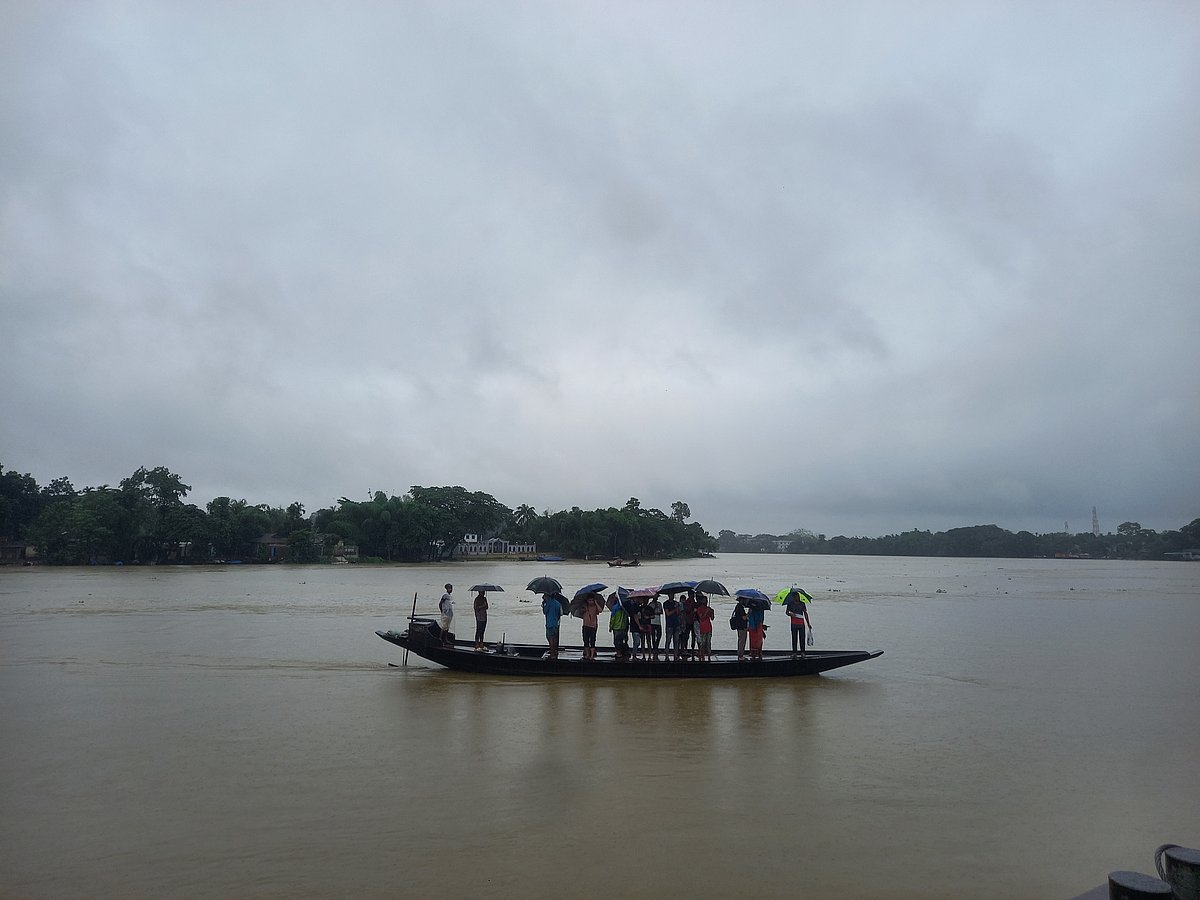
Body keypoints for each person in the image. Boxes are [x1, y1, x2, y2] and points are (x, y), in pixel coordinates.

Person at [785, 589, 813, 656]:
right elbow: (787, 612)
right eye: (796, 596)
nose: (798, 597)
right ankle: (794, 652)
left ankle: (802, 652)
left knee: (802, 638)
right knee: (794, 638)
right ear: (794, 597)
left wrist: (808, 624)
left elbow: (805, 613)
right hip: (794, 624)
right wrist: (790, 614)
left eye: (798, 596)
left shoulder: (802, 603)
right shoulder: (790, 604)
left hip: (801, 624)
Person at [581, 592, 603, 660]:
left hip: (593, 626)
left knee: (592, 640)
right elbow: (580, 612)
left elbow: (600, 610)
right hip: (585, 625)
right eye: (589, 600)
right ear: (587, 600)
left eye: (592, 600)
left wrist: (596, 603)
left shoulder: (595, 606)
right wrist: (584, 609)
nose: (591, 602)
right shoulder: (584, 606)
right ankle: (587, 654)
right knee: (586, 640)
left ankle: (592, 655)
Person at [542, 592, 564, 658]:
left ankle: (552, 654)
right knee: (554, 638)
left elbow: (545, 612)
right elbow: (561, 613)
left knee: (550, 638)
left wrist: (543, 605)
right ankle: (554, 651)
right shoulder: (558, 603)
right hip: (556, 623)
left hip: (549, 623)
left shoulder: (548, 603)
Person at [608, 593, 630, 661]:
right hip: (623, 626)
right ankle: (624, 652)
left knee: (616, 641)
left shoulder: (615, 607)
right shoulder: (625, 607)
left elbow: (613, 618)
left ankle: (619, 653)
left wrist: (610, 626)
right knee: (623, 640)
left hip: (617, 627)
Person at [694, 594, 715, 661]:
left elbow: (712, 618)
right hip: (702, 627)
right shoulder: (699, 609)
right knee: (702, 643)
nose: (704, 602)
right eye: (703, 601)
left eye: (705, 601)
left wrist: (712, 612)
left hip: (709, 627)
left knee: (708, 643)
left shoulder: (709, 609)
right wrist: (706, 612)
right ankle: (702, 656)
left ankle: (709, 656)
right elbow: (701, 618)